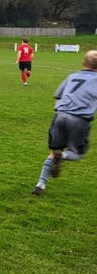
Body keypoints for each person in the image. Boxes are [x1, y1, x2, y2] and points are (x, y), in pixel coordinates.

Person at [31, 50, 97, 196]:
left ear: (83, 63)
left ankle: (40, 185)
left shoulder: (72, 76)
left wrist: (59, 111)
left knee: (54, 152)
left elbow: (58, 96)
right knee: (78, 153)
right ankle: (64, 156)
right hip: (79, 120)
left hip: (60, 116)